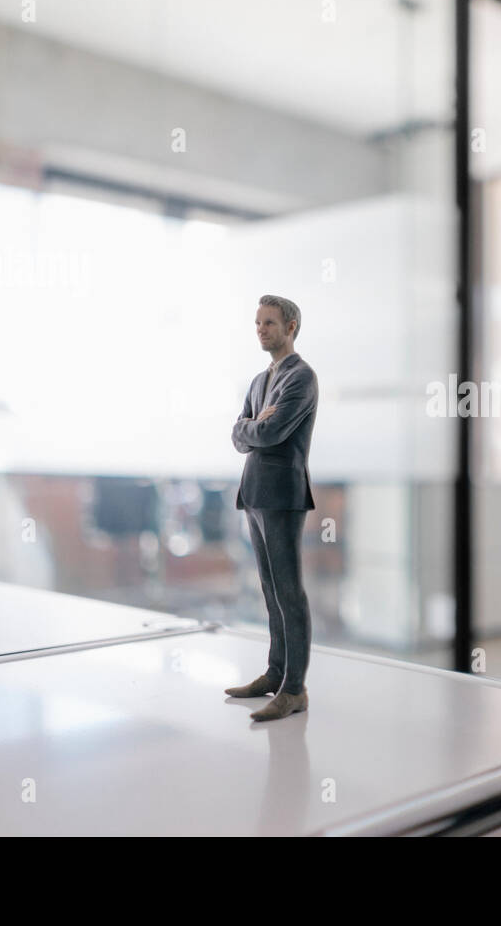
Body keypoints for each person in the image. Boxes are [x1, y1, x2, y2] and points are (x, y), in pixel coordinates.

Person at [224, 295, 318, 722]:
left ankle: (294, 689)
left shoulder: (302, 378)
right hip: (256, 492)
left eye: (269, 323)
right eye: (258, 322)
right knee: (268, 590)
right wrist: (252, 425)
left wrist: (255, 426)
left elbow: (274, 431)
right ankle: (275, 673)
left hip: (281, 494)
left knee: (288, 593)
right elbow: (240, 434)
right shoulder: (260, 381)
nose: (261, 329)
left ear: (291, 326)